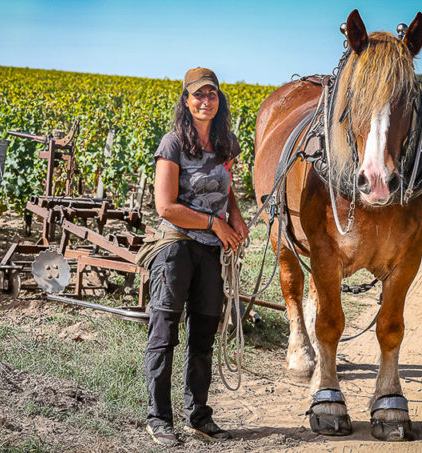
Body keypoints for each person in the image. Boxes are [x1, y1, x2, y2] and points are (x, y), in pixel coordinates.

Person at [144, 67, 249, 446]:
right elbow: (166, 206)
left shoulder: (226, 144)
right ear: (186, 102)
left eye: (212, 95)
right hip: (176, 247)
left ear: (219, 102)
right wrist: (215, 224)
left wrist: (234, 217)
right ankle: (159, 418)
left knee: (203, 336)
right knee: (164, 334)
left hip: (211, 253)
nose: (206, 101)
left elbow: (228, 187)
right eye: (198, 95)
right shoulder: (172, 144)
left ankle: (199, 416)